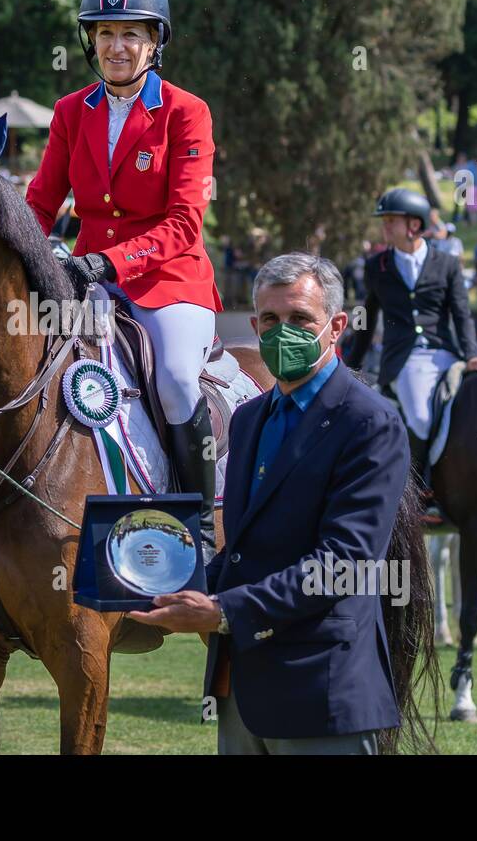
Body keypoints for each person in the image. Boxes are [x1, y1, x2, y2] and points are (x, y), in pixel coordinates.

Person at [129, 253, 410, 754]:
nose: (285, 333)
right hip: (240, 690)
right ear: (255, 325)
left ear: (337, 326)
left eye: (301, 319)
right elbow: (242, 552)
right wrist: (147, 585)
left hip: (321, 693)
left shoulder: (370, 422)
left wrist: (219, 612)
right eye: (272, 320)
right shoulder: (247, 418)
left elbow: (343, 565)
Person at [25, 0, 223, 555]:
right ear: (91, 41)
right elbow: (40, 201)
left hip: (169, 282)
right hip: (87, 285)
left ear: (155, 41)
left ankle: (198, 528)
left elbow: (186, 220)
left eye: (131, 34)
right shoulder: (70, 111)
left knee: (176, 382)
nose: (117, 46)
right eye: (105, 33)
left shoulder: (187, 112)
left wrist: (110, 263)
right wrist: (22, 260)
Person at [342, 189, 477, 510]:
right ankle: (420, 491)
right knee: (420, 417)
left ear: (414, 226)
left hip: (446, 352)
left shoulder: (446, 263)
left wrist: (471, 354)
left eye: (391, 221)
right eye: (385, 221)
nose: (385, 228)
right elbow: (368, 315)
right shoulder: (376, 265)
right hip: (405, 359)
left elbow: (461, 312)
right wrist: (350, 364)